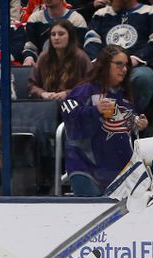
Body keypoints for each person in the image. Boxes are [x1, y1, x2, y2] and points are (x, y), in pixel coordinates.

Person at [61, 45, 148, 196]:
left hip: (119, 170)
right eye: (119, 64)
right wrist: (94, 110)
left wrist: (139, 124)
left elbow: (125, 127)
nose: (124, 69)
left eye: (126, 65)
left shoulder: (126, 95)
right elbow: (68, 114)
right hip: (85, 167)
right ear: (105, 64)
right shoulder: (85, 89)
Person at [84, 0, 153, 111]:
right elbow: (91, 39)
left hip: (136, 67)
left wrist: (135, 59)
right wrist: (99, 61)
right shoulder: (101, 14)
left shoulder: (151, 12)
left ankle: (130, 117)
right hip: (105, 67)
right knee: (85, 76)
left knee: (143, 77)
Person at [27, 19, 91, 100]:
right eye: (53, 34)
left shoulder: (81, 57)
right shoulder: (43, 57)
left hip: (74, 105)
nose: (56, 38)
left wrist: (67, 94)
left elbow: (90, 85)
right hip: (47, 105)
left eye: (61, 34)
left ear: (70, 37)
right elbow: (31, 85)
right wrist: (43, 93)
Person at [22, 0, 88, 66]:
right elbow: (30, 46)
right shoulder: (35, 19)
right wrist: (29, 58)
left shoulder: (76, 19)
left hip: (71, 66)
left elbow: (78, 50)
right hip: (42, 67)